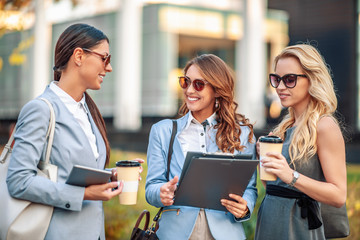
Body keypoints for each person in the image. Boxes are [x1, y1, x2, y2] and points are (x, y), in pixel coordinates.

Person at [6, 23, 143, 240]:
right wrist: (84, 194)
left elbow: (71, 170)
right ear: (78, 56)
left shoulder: (88, 110)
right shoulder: (40, 109)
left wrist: (110, 175)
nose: (109, 67)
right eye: (104, 58)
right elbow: (19, 180)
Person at [145, 54, 258, 240]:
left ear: (217, 89)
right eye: (185, 82)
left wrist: (244, 207)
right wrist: (161, 193)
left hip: (226, 233)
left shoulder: (242, 134)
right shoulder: (162, 131)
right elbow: (151, 187)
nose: (189, 90)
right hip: (174, 234)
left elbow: (250, 188)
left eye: (198, 84)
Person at [254, 44, 347, 239]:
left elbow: (338, 196)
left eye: (289, 79)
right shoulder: (282, 129)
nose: (280, 87)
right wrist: (265, 162)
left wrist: (291, 175)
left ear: (312, 80)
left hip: (299, 228)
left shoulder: (324, 125)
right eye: (276, 79)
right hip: (270, 223)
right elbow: (274, 188)